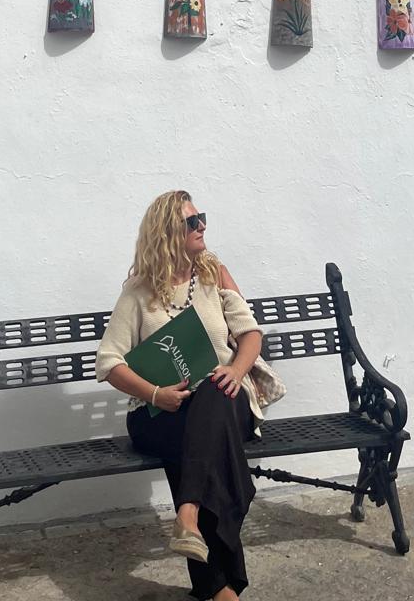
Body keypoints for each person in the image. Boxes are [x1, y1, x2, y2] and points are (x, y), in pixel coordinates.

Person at [96, 190, 264, 600]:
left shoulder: (214, 274)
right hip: (160, 412)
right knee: (197, 441)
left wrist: (235, 369)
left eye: (201, 217)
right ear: (168, 231)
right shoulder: (138, 292)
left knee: (209, 397)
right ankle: (222, 589)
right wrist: (155, 393)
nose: (202, 225)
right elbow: (109, 362)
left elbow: (251, 333)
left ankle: (189, 517)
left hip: (225, 398)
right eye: (192, 221)